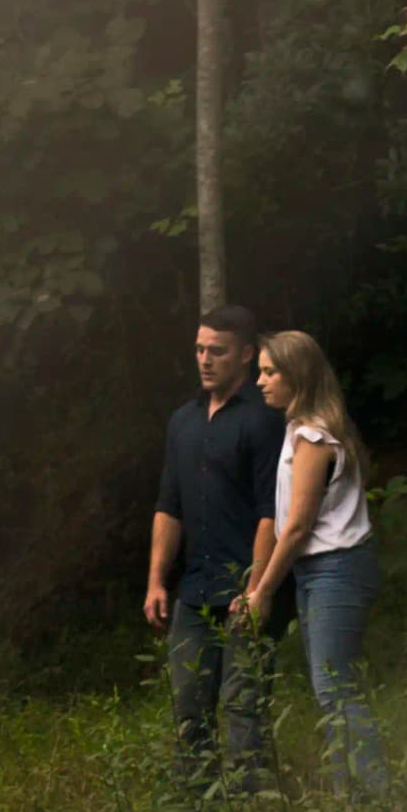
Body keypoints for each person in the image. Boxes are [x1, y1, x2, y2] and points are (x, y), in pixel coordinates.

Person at [236, 332, 390, 801]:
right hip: (319, 571)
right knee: (330, 687)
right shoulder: (299, 430)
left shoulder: (314, 437)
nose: (259, 381)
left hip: (336, 568)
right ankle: (351, 800)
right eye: (259, 371)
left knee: (335, 688)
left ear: (297, 375)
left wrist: (260, 590)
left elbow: (298, 527)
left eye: (269, 371)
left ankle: (380, 799)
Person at [146, 307, 286, 784]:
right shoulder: (182, 420)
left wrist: (257, 586)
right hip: (194, 588)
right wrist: (156, 581)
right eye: (200, 349)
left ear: (246, 355)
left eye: (217, 351)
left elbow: (272, 510)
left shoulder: (264, 419)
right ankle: (198, 811)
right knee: (188, 705)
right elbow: (169, 505)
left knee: (243, 706)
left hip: (243, 584)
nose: (205, 359)